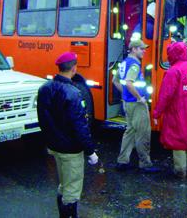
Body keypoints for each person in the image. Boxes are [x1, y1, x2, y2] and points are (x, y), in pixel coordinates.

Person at [37, 52, 98, 218]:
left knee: (63, 184)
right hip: (71, 150)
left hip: (55, 146)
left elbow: (43, 119)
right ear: (74, 68)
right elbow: (80, 126)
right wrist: (90, 151)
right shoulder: (73, 92)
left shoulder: (44, 88)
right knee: (72, 189)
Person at [153, 42, 187, 178]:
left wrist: (157, 113)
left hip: (177, 112)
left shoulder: (173, 71)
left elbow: (165, 95)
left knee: (178, 141)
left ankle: (180, 172)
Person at [113, 39, 159, 173]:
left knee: (130, 131)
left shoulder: (123, 63)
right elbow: (128, 82)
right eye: (141, 49)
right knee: (143, 133)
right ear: (134, 49)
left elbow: (115, 81)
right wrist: (140, 98)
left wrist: (125, 95)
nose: (144, 51)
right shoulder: (134, 65)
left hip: (127, 103)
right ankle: (145, 163)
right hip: (137, 104)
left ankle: (122, 161)